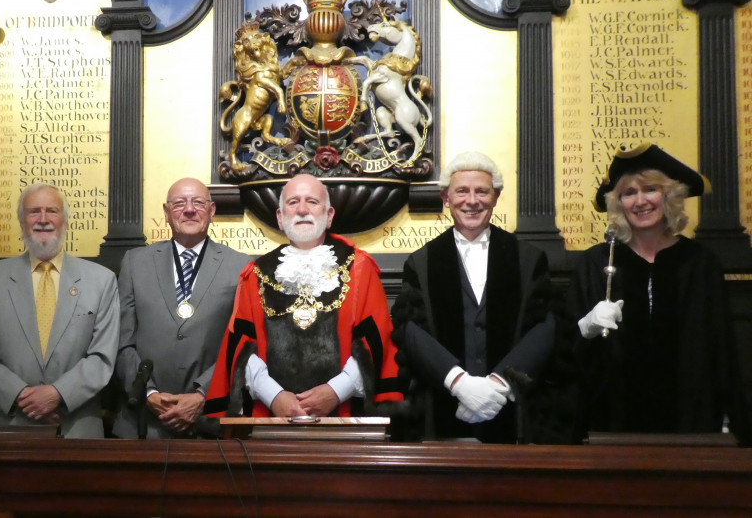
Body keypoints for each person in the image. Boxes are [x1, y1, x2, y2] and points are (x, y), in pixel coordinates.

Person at [568, 142, 750, 445]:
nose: (640, 201)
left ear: (669, 196)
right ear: (618, 203)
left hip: (691, 424)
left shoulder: (699, 263)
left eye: (650, 189)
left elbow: (722, 348)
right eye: (629, 193)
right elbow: (566, 349)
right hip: (610, 425)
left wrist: (740, 428)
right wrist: (585, 328)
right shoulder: (599, 262)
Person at [204, 174, 402, 419]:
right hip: (270, 420)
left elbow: (376, 343)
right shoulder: (255, 275)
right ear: (280, 217)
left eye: (312, 202)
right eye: (293, 202)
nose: (302, 210)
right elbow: (241, 349)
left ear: (329, 216)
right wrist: (274, 396)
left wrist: (335, 392)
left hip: (345, 419)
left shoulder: (360, 269)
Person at [391, 151, 555, 443]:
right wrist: (459, 383)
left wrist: (500, 383)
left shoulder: (528, 259)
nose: (472, 200)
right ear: (446, 198)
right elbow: (411, 330)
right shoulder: (422, 262)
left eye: (482, 191)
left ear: (495, 197)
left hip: (511, 409)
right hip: (443, 408)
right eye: (462, 191)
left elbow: (544, 326)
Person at [0, 183, 119, 438]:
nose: (43, 220)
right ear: (21, 221)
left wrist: (57, 394)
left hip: (77, 428)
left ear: (65, 220)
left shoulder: (101, 280)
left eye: (51, 211)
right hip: (8, 426)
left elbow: (103, 357)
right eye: (34, 212)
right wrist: (22, 396)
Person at [112, 178, 252, 438]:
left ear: (211, 212)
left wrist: (202, 395)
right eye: (179, 203)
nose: (189, 209)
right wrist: (149, 393)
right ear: (166, 213)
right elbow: (122, 341)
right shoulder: (135, 263)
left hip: (212, 424)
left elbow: (244, 343)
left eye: (198, 202)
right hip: (143, 423)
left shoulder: (241, 266)